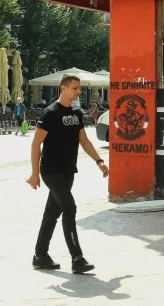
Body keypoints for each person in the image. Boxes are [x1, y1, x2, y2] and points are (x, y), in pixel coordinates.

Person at [26, 74, 109, 274]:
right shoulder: (50, 113)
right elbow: (36, 144)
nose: (79, 91)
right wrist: (35, 173)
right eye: (75, 88)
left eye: (79, 88)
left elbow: (84, 141)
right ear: (63, 88)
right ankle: (77, 258)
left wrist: (99, 161)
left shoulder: (76, 113)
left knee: (52, 214)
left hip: (68, 170)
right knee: (70, 208)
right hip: (51, 171)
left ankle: (40, 255)